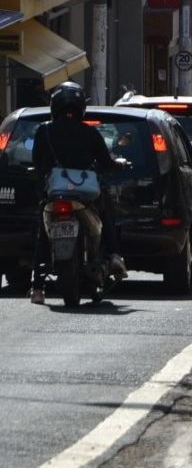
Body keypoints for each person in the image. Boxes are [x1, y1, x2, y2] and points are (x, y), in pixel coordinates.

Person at [29, 82, 128, 304]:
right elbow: (105, 162)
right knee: (106, 211)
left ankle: (37, 288)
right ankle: (114, 256)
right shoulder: (90, 132)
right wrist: (116, 164)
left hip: (54, 191)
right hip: (86, 192)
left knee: (43, 234)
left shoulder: (44, 131)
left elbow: (36, 163)